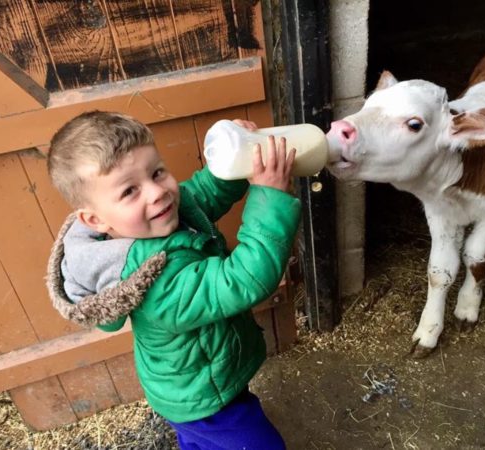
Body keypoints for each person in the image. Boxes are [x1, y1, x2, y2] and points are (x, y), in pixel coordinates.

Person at [45, 110, 301, 449]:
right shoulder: (154, 283)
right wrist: (270, 198)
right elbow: (243, 279)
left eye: (157, 172)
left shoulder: (149, 219)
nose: (157, 192)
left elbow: (203, 194)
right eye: (129, 191)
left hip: (192, 376)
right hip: (203, 397)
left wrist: (236, 159)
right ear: (95, 219)